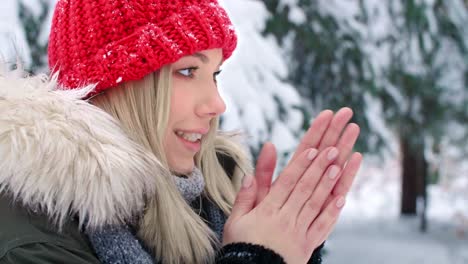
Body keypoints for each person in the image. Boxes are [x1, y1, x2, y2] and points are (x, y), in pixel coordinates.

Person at [0, 0, 362, 263]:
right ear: (116, 84)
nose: (217, 104)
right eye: (188, 71)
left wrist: (287, 246)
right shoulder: (33, 238)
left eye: (215, 74)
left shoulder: (216, 199)